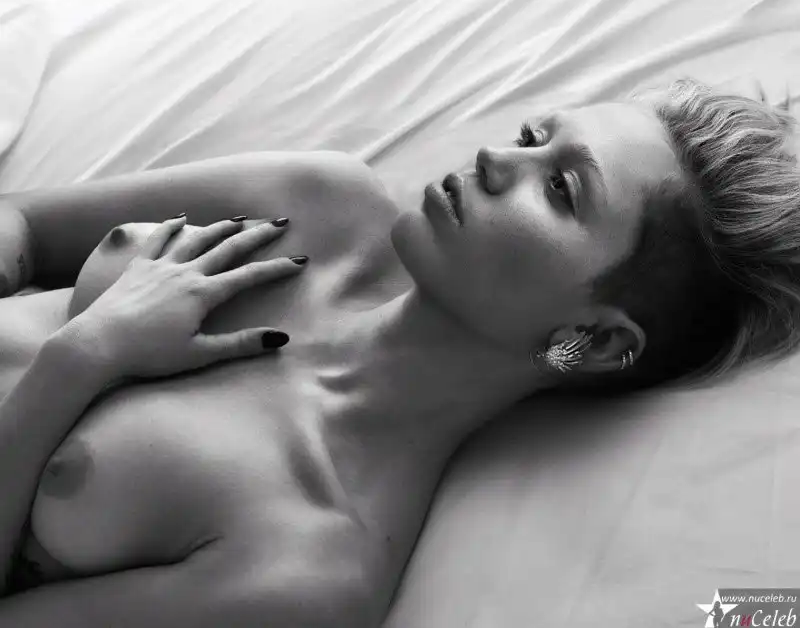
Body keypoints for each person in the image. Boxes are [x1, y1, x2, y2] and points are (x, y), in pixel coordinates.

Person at [0, 76, 797, 627]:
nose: (497, 159)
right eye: (532, 136)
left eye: (560, 188)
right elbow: (22, 224)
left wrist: (82, 359)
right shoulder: (318, 200)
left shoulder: (306, 561)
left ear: (593, 343)